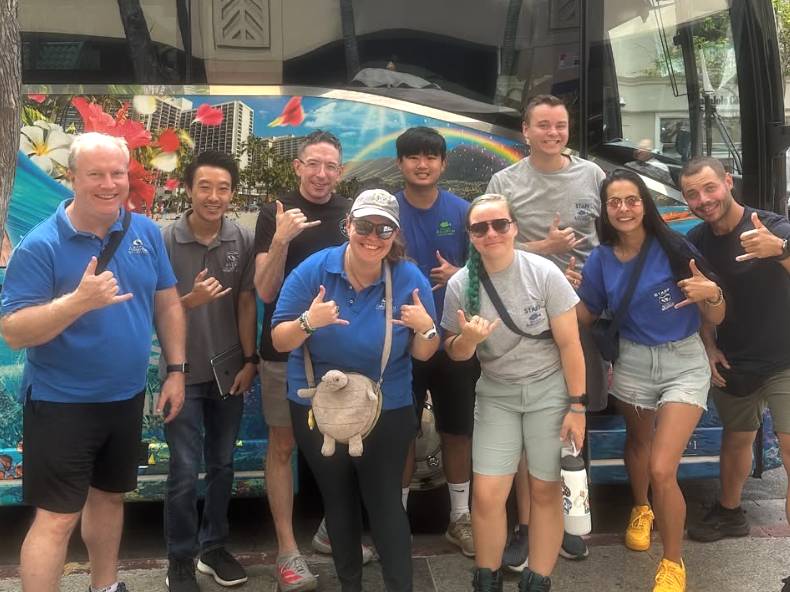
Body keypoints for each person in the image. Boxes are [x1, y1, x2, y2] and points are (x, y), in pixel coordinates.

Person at [0, 132, 186, 592]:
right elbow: (14, 330)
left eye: (117, 173)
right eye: (96, 175)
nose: (109, 184)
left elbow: (168, 304)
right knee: (57, 519)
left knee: (109, 500)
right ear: (72, 179)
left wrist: (177, 371)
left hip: (125, 397)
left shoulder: (143, 232)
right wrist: (77, 303)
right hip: (62, 403)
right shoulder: (41, 245)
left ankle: (105, 587)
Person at [271, 189, 439, 592]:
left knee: (384, 505)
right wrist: (309, 322)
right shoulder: (314, 271)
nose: (373, 236)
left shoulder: (408, 277)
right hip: (319, 407)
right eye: (364, 225)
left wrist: (425, 328)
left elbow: (426, 352)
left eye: (384, 229)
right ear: (347, 226)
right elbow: (279, 340)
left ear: (394, 235)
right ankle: (351, 586)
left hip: (388, 406)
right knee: (339, 502)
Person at [569, 169, 725, 592]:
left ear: (645, 204)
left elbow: (716, 313)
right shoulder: (601, 259)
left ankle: (672, 562)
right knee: (637, 442)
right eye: (614, 201)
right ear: (605, 209)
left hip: (683, 361)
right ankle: (641, 509)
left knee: (661, 466)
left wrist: (710, 295)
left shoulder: (674, 247)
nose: (623, 209)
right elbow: (586, 313)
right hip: (633, 360)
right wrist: (554, 299)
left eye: (632, 200)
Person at [442, 193, 586, 592]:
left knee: (545, 488)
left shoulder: (543, 273)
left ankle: (537, 580)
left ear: (514, 227)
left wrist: (577, 406)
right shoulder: (459, 285)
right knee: (487, 495)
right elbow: (454, 353)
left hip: (549, 392)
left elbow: (570, 344)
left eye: (499, 224)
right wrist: (468, 341)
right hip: (496, 393)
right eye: (480, 227)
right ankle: (486, 581)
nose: (491, 233)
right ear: (471, 236)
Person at [485, 93, 606, 567]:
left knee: (576, 417)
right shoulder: (505, 180)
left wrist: (588, 278)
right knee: (522, 429)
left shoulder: (593, 175)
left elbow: (608, 241)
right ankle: (527, 525)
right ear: (526, 131)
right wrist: (545, 246)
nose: (553, 133)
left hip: (580, 313)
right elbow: (490, 244)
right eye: (543, 125)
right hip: (524, 318)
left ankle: (572, 518)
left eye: (561, 125)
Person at [253, 130, 373, 591]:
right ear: (298, 166)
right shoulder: (276, 213)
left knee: (343, 444)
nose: (322, 174)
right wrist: (281, 239)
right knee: (283, 446)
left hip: (338, 354)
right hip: (284, 349)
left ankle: (331, 531)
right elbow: (264, 291)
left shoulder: (353, 215)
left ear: (340, 171)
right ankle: (287, 551)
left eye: (331, 166)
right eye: (313, 164)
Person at [679, 158, 790, 586]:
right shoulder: (697, 241)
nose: (703, 200)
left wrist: (779, 251)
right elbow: (702, 301)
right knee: (737, 439)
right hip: (734, 359)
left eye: (710, 188)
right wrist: (707, 346)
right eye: (692, 194)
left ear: (728, 182)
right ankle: (729, 512)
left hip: (784, 358)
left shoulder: (771, 226)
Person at [160, 151, 257, 592]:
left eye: (223, 188)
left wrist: (250, 360)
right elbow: (152, 311)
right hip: (181, 373)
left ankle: (213, 548)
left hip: (228, 374)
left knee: (222, 464)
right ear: (189, 189)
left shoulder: (241, 238)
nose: (214, 196)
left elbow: (245, 301)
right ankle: (179, 559)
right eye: (205, 187)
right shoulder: (166, 240)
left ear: (232, 192)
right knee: (182, 469)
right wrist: (188, 302)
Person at [394, 127, 478, 556]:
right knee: (403, 433)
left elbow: (483, 271)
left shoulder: (464, 212)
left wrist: (458, 274)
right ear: (400, 163)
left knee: (457, 431)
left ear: (443, 164)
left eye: (431, 157)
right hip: (403, 345)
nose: (422, 164)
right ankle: (397, 522)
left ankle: (460, 519)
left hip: (452, 341)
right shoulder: (388, 213)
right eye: (413, 157)